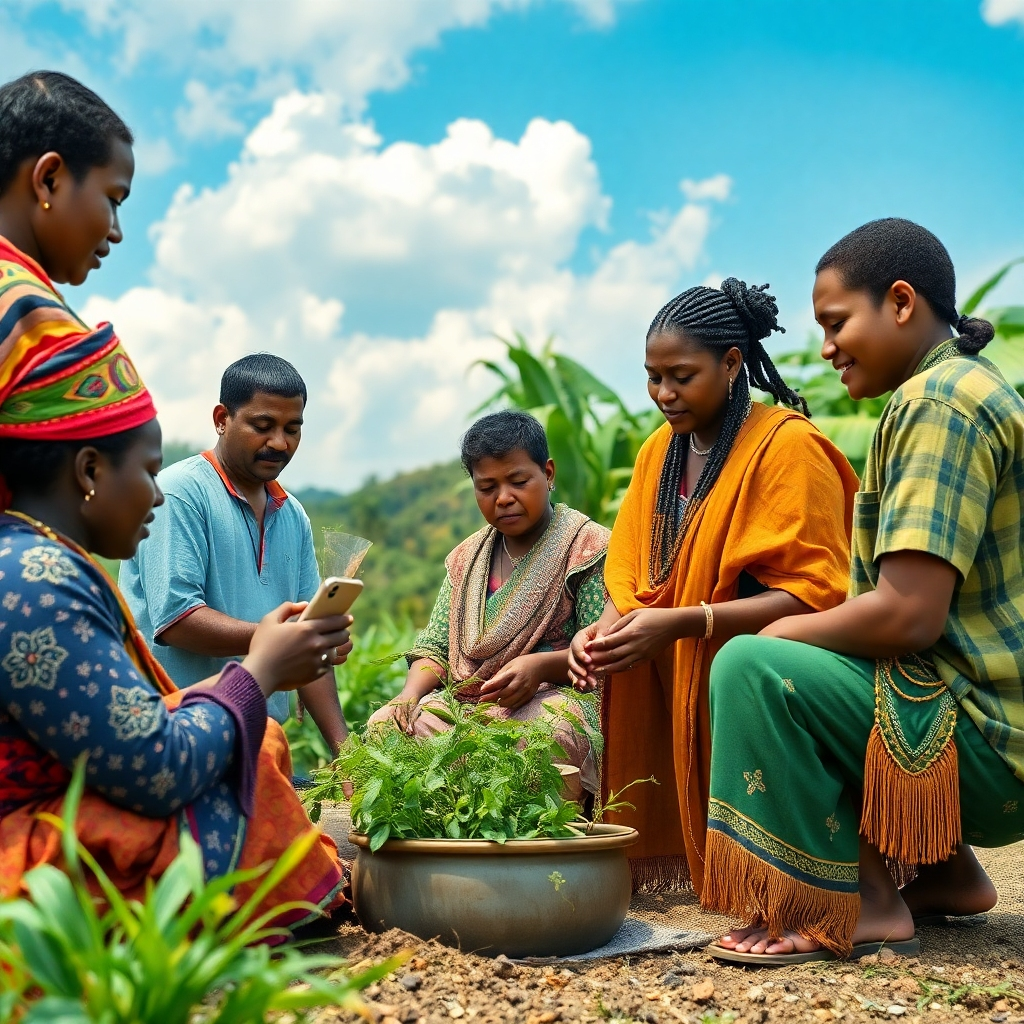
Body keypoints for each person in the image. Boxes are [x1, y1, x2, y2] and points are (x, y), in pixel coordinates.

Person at [0, 69, 349, 927]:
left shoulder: (292, 514)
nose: (116, 230)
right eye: (109, 199)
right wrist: (258, 663)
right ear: (48, 179)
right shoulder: (21, 311)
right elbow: (152, 729)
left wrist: (340, 742)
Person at [705, 218, 1024, 964]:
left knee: (752, 666)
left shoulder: (938, 404)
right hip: (999, 725)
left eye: (836, 321)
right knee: (817, 655)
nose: (824, 348)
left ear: (903, 302)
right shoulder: (968, 385)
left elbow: (910, 615)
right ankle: (947, 873)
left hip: (992, 743)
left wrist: (775, 638)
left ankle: (858, 899)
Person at [568, 279, 859, 894]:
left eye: (680, 375)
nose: (663, 394)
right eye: (652, 377)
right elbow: (636, 570)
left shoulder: (788, 448)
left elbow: (817, 593)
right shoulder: (659, 453)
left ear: (731, 364)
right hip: (675, 659)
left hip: (765, 663)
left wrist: (683, 621)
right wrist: (608, 624)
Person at [368, 410, 609, 796]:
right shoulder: (466, 559)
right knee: (391, 727)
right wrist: (407, 696)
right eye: (487, 487)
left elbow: (602, 650)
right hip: (469, 704)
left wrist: (540, 667)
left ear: (548, 474)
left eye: (518, 481)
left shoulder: (587, 548)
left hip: (553, 700)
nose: (504, 498)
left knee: (548, 734)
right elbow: (435, 647)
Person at [120, 354, 349, 753]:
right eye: (263, 426)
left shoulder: (292, 515)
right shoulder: (180, 494)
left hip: (257, 743)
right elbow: (177, 620)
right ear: (222, 418)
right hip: (176, 733)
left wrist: (348, 753)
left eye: (292, 429)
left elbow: (305, 634)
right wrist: (276, 640)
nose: (280, 442)